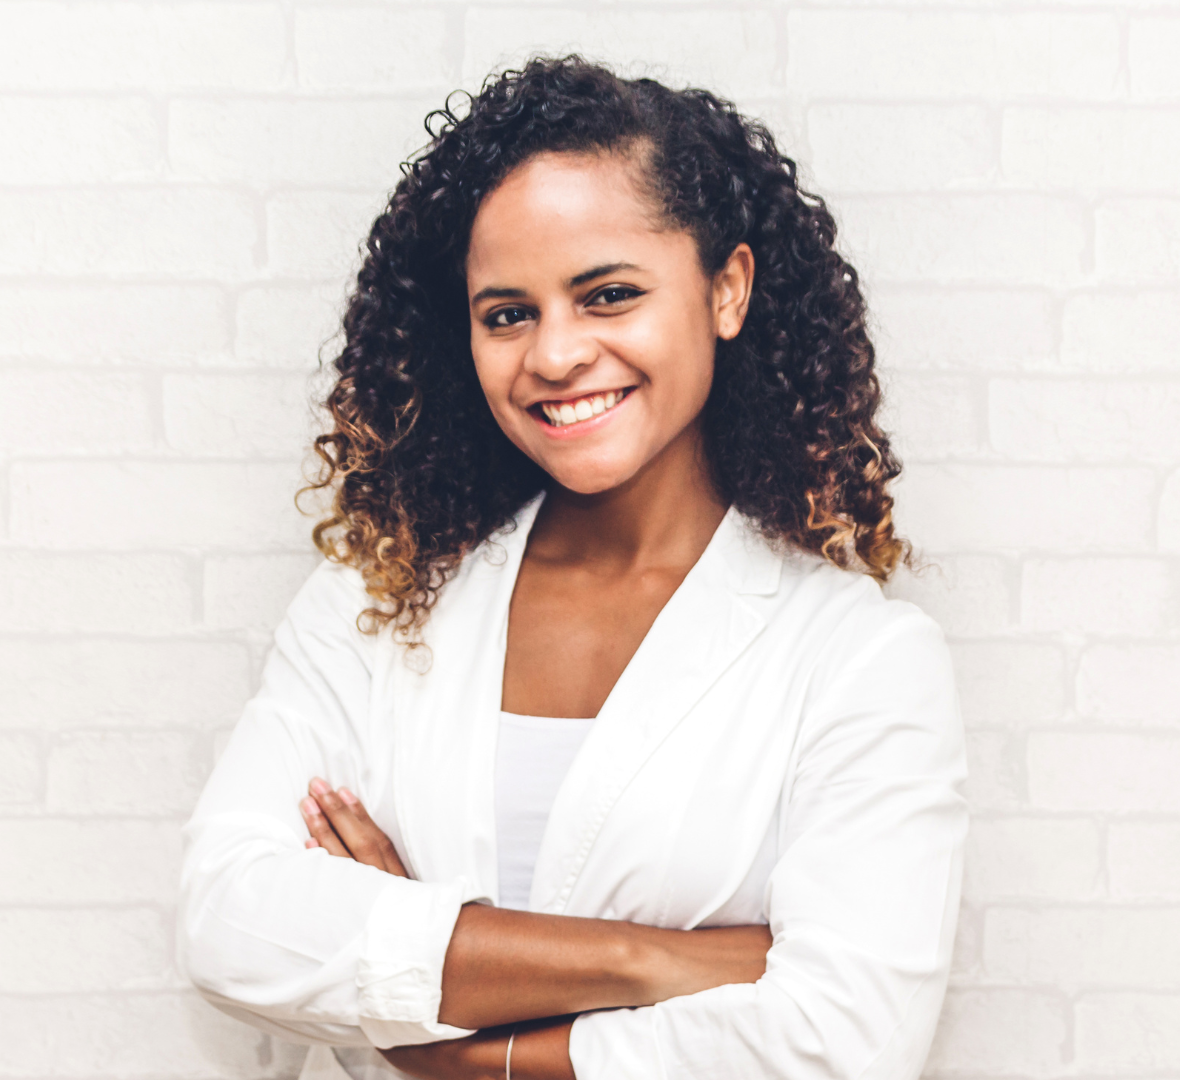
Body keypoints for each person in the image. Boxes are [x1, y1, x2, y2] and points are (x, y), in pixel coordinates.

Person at [178, 55, 967, 1080]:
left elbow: (842, 1042)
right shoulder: (372, 607)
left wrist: (446, 1040)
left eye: (608, 295)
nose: (553, 356)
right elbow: (228, 921)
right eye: (507, 312)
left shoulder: (858, 658)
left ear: (726, 290)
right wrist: (660, 962)